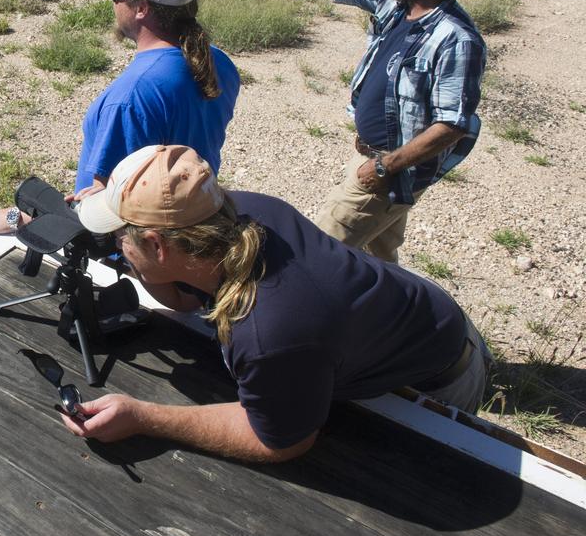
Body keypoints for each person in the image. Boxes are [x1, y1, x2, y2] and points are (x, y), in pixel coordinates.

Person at [63, 144, 491, 463]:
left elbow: (281, 439)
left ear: (157, 245)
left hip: (435, 377)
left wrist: (144, 417)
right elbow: (182, 297)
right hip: (410, 316)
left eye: (121, 236)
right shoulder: (241, 214)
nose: (116, 245)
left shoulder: (269, 328)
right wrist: (142, 263)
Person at [214, 0, 488, 262]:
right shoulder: (396, 4)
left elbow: (452, 125)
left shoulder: (456, 40)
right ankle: (393, 314)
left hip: (389, 172)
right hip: (374, 160)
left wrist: (384, 167)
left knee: (315, 257)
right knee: (379, 261)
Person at [0, 0, 240, 240]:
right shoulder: (216, 61)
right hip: (189, 218)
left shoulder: (131, 98)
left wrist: (19, 220)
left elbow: (105, 223)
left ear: (141, 9)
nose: (113, 3)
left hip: (126, 250)